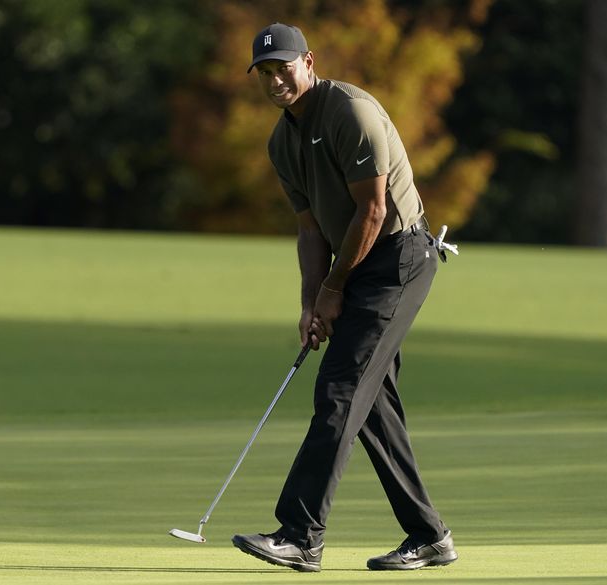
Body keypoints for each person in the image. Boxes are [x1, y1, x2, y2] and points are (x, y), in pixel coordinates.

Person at [230, 23, 458, 573]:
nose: (275, 80)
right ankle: (430, 536)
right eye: (265, 72)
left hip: (399, 257)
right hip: (355, 263)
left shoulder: (350, 112)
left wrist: (334, 290)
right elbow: (311, 230)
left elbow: (372, 211)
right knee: (372, 407)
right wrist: (312, 303)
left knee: (338, 390)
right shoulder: (281, 142)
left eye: (283, 68)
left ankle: (300, 535)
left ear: (308, 62)